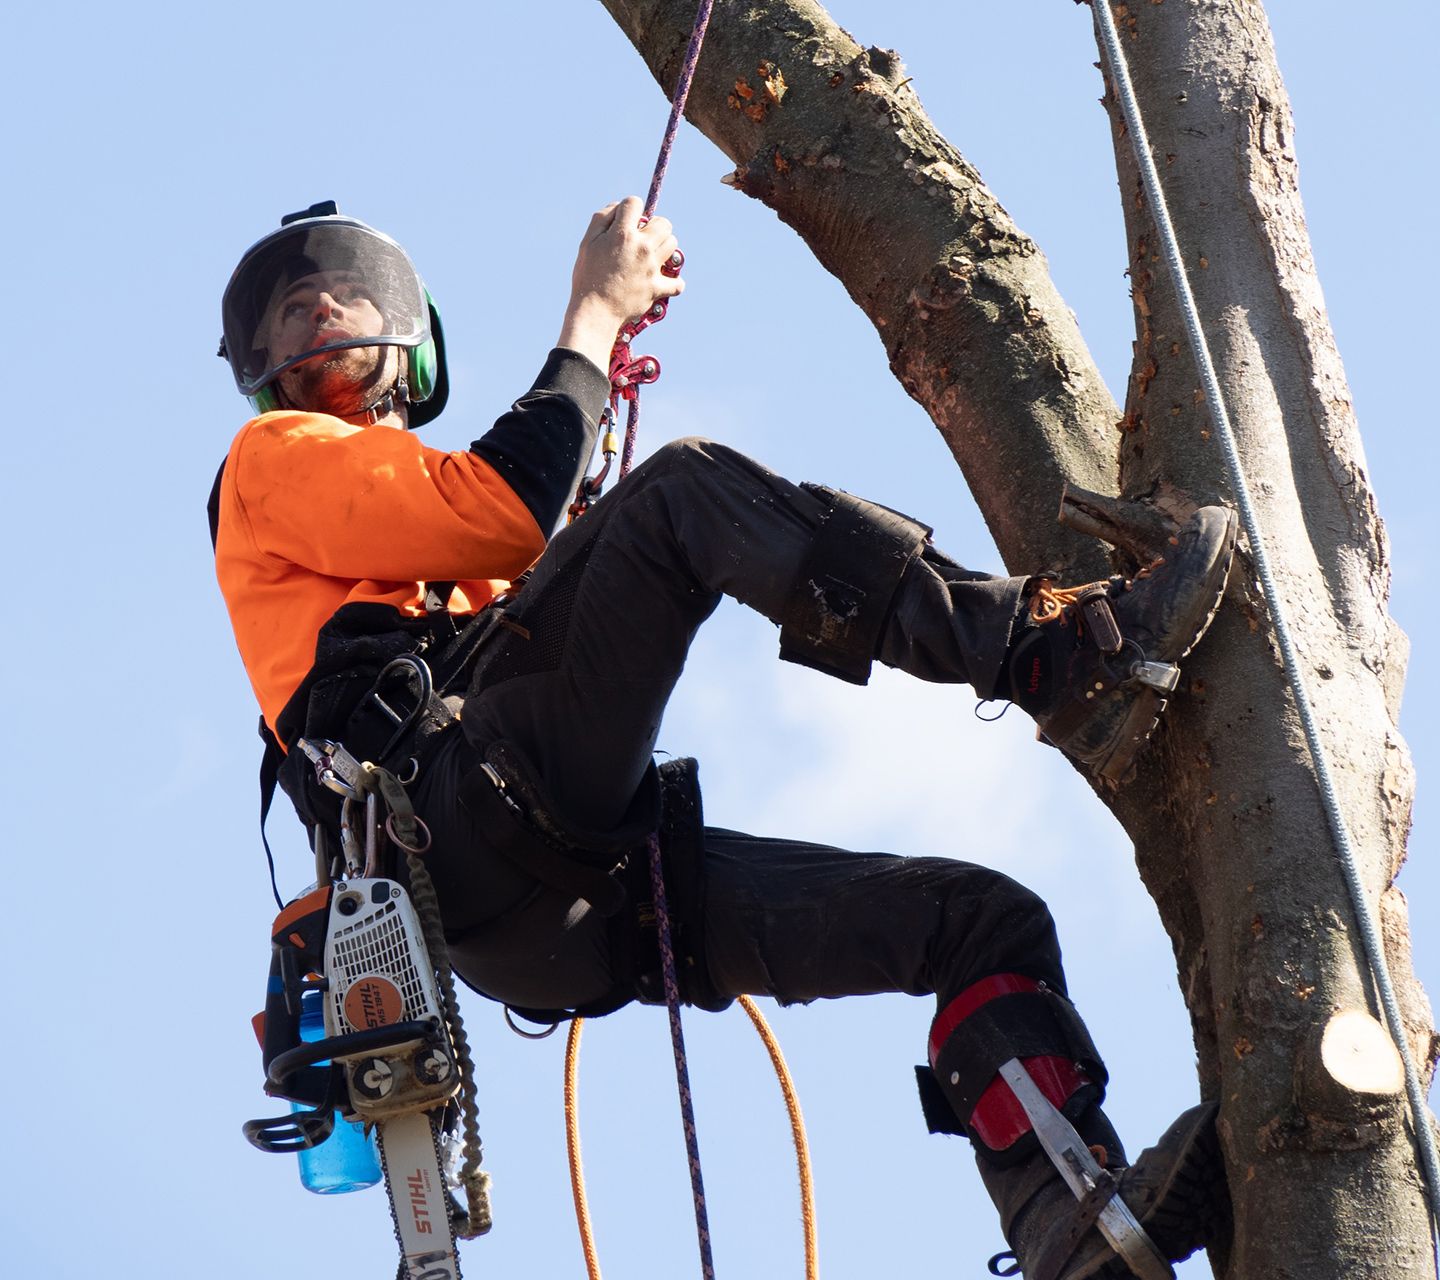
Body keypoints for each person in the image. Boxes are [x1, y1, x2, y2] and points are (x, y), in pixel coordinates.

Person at [212, 197, 1234, 1279]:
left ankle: (1063, 1218)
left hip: (552, 908)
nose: (319, 305)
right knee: (683, 494)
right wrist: (594, 315)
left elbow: (517, 538)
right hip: (465, 807)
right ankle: (1042, 653)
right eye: (288, 310)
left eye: (346, 292)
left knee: (978, 920)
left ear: (407, 338)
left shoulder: (409, 532)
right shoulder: (274, 456)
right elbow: (510, 502)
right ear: (262, 365)